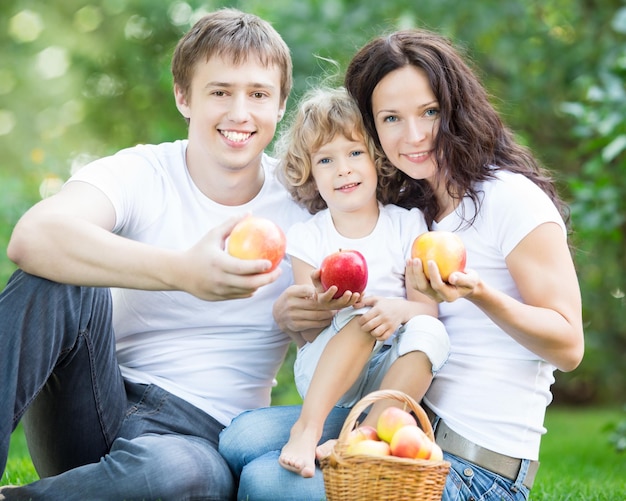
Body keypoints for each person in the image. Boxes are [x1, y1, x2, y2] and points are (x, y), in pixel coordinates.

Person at [219, 28, 584, 501]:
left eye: (429, 112)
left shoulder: (510, 198)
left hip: (472, 468)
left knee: (265, 482)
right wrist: (298, 317)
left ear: (456, 109)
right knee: (240, 440)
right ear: (372, 130)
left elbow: (569, 346)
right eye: (391, 118)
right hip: (404, 417)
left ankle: (348, 448)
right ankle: (343, 441)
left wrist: (480, 294)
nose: (413, 136)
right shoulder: (419, 205)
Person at [0, 8, 310, 501]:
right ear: (183, 97)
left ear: (279, 105)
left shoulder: (304, 205)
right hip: (97, 405)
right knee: (55, 272)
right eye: (219, 91)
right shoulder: (145, 172)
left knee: (191, 473)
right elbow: (32, 237)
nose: (239, 112)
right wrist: (182, 272)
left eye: (258, 94)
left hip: (201, 438)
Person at [272, 86, 449, 478]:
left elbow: (426, 307)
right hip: (326, 373)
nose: (343, 169)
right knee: (361, 318)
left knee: (430, 330)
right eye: (326, 159)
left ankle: (362, 439)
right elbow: (306, 332)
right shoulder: (308, 237)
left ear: (376, 159)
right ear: (309, 171)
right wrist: (323, 302)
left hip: (387, 372)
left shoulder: (406, 225)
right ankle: (307, 428)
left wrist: (397, 310)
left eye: (355, 153)